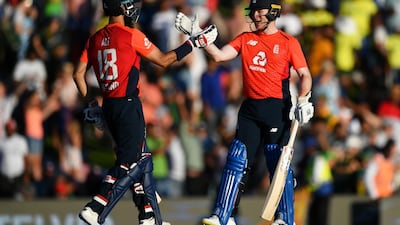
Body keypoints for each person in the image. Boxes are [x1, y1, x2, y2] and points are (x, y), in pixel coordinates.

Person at [72, 0, 218, 224]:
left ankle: (149, 216)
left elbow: (78, 74)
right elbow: (163, 60)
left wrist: (91, 104)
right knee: (130, 162)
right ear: (121, 8)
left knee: (144, 160)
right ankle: (96, 206)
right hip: (128, 105)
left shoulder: (95, 38)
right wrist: (193, 43)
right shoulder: (131, 35)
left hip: (109, 106)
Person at [175, 0, 314, 224]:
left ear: (273, 11)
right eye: (253, 12)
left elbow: (305, 74)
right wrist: (197, 34)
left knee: (277, 162)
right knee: (236, 158)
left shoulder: (288, 42)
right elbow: (219, 56)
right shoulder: (245, 38)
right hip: (249, 108)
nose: (255, 16)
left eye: (260, 11)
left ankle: (286, 218)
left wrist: (304, 99)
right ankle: (222, 215)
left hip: (277, 109)